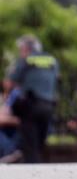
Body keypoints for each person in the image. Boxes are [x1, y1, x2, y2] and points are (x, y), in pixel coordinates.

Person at [4, 34, 59, 163]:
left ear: (25, 48)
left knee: (29, 142)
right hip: (49, 105)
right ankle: (36, 163)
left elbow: (10, 82)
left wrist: (7, 100)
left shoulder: (27, 60)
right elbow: (56, 78)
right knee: (40, 139)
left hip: (31, 105)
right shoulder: (52, 60)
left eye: (20, 50)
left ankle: (32, 168)